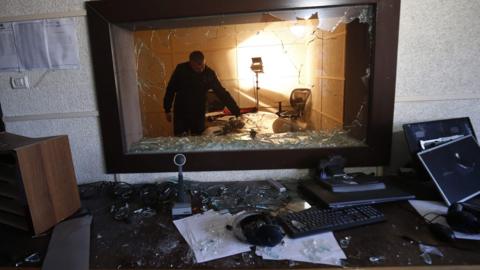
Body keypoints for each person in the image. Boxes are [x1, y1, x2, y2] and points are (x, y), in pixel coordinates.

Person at [164, 51, 241, 136]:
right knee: (180, 139)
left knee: (198, 139)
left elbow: (222, 93)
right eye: (197, 67)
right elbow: (171, 89)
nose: (200, 69)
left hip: (198, 110)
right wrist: (167, 109)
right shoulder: (181, 69)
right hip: (181, 110)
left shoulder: (209, 73)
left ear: (205, 61)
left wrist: (236, 111)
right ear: (190, 63)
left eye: (202, 66)